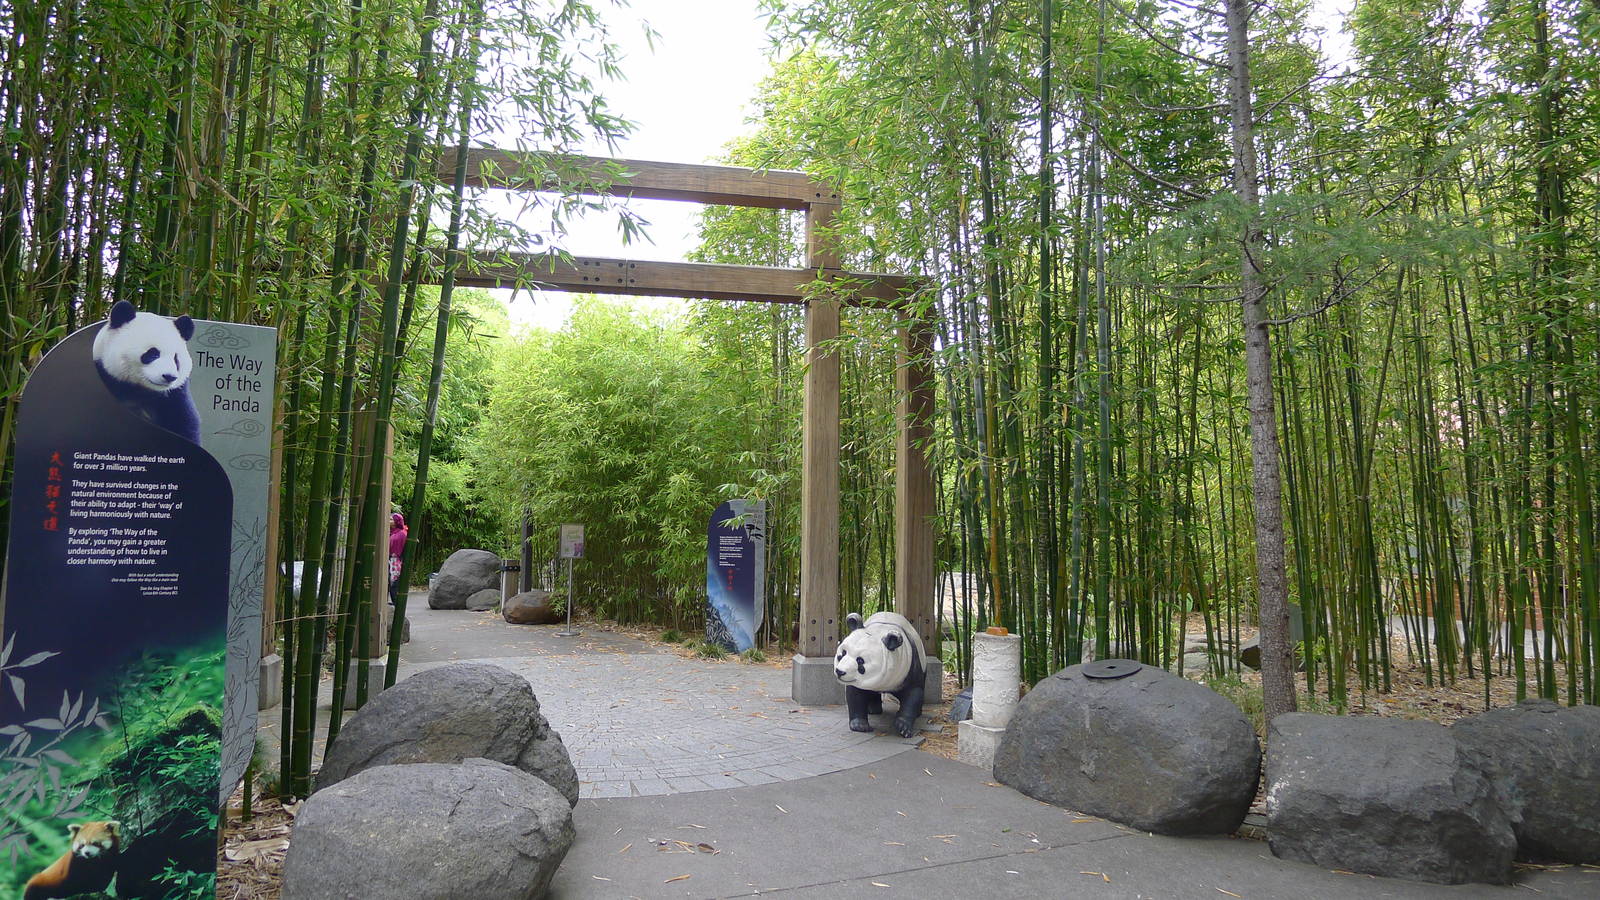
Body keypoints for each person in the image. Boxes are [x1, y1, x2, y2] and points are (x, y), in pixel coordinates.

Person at [388, 512, 408, 603]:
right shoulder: (389, 532)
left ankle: (396, 603)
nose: (388, 521)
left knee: (393, 584)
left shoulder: (402, 534)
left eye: (391, 519)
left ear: (397, 521)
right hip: (389, 559)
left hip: (395, 561)